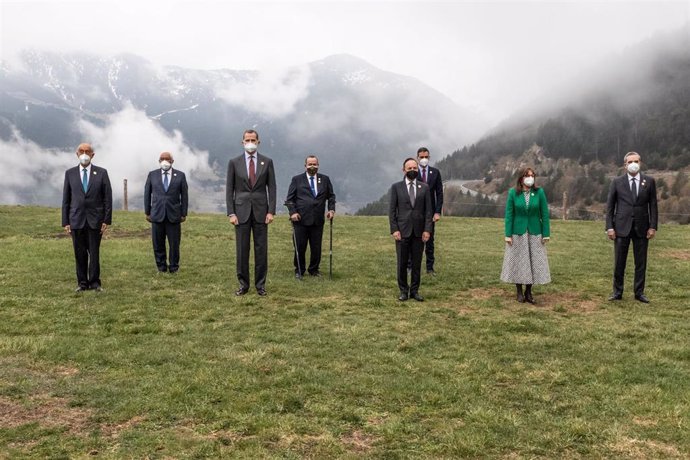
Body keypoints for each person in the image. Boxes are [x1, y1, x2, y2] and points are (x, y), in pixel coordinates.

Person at [226, 129, 276, 296]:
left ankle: (260, 285)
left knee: (261, 249)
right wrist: (231, 213)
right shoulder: (234, 162)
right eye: (247, 140)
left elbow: (272, 188)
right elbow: (229, 190)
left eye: (253, 139)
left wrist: (271, 211)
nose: (250, 142)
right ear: (242, 142)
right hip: (241, 212)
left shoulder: (267, 162)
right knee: (242, 249)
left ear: (258, 141)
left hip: (261, 211)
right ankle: (243, 284)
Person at [606, 151, 658, 303]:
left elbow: (653, 205)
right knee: (619, 262)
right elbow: (610, 207)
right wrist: (609, 227)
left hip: (642, 228)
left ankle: (639, 292)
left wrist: (653, 226)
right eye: (630, 162)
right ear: (625, 165)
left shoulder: (649, 181)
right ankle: (617, 291)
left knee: (640, 262)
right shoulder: (617, 182)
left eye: (636, 161)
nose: (633, 164)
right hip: (621, 227)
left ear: (640, 162)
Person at [61, 143, 112, 292]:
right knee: (79, 253)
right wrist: (66, 221)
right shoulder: (70, 173)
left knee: (94, 253)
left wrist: (106, 220)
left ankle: (95, 283)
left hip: (95, 220)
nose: (84, 154)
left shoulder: (101, 173)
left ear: (92, 155)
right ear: (77, 154)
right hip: (76, 219)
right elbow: (66, 199)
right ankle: (82, 283)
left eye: (87, 151)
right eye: (81, 151)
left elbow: (107, 198)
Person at [500, 167, 551, 304]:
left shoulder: (539, 193)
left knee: (533, 261)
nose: (530, 178)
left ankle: (529, 292)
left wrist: (546, 233)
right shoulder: (513, 193)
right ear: (521, 178)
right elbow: (509, 215)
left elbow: (544, 214)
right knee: (519, 261)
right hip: (518, 232)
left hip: (535, 231)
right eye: (527, 175)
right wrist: (508, 234)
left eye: (532, 175)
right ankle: (519, 291)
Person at [389, 158, 433, 301]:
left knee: (417, 262)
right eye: (410, 168)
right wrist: (394, 229)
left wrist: (427, 230)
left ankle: (415, 291)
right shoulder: (396, 187)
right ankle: (403, 290)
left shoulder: (424, 187)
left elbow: (428, 211)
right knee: (402, 263)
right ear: (404, 170)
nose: (413, 170)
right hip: (402, 231)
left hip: (419, 232)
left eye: (415, 168)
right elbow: (392, 211)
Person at [285, 155, 336, 277]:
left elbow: (331, 196)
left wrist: (331, 210)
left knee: (316, 247)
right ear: (305, 166)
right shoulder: (297, 180)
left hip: (317, 219)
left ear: (318, 165)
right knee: (300, 246)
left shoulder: (325, 179)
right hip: (300, 219)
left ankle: (314, 270)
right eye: (310, 164)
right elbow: (289, 199)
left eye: (314, 164)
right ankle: (299, 270)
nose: (312, 166)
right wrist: (293, 212)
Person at [144, 151, 189, 274]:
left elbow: (184, 195)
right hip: (157, 214)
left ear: (172, 161)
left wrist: (184, 213)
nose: (164, 161)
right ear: (159, 161)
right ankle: (161, 267)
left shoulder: (180, 175)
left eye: (167, 159)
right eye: (162, 159)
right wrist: (147, 212)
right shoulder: (152, 175)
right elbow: (147, 194)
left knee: (174, 244)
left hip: (174, 215)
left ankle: (174, 267)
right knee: (158, 243)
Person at [416, 147, 443, 274]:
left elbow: (439, 193)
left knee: (430, 240)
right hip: (416, 211)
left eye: (426, 157)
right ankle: (411, 266)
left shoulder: (435, 172)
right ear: (417, 158)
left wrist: (437, 212)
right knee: (414, 238)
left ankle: (430, 267)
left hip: (430, 212)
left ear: (429, 157)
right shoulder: (413, 172)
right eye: (421, 157)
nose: (424, 159)